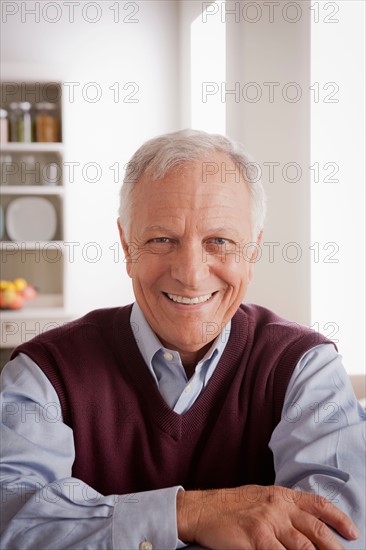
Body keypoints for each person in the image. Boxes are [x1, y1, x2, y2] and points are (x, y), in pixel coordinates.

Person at [0, 129, 364, 550]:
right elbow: (12, 524)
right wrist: (188, 513)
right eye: (161, 240)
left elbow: (339, 536)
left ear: (253, 251)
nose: (190, 273)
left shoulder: (306, 366)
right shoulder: (45, 372)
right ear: (126, 246)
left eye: (220, 242)